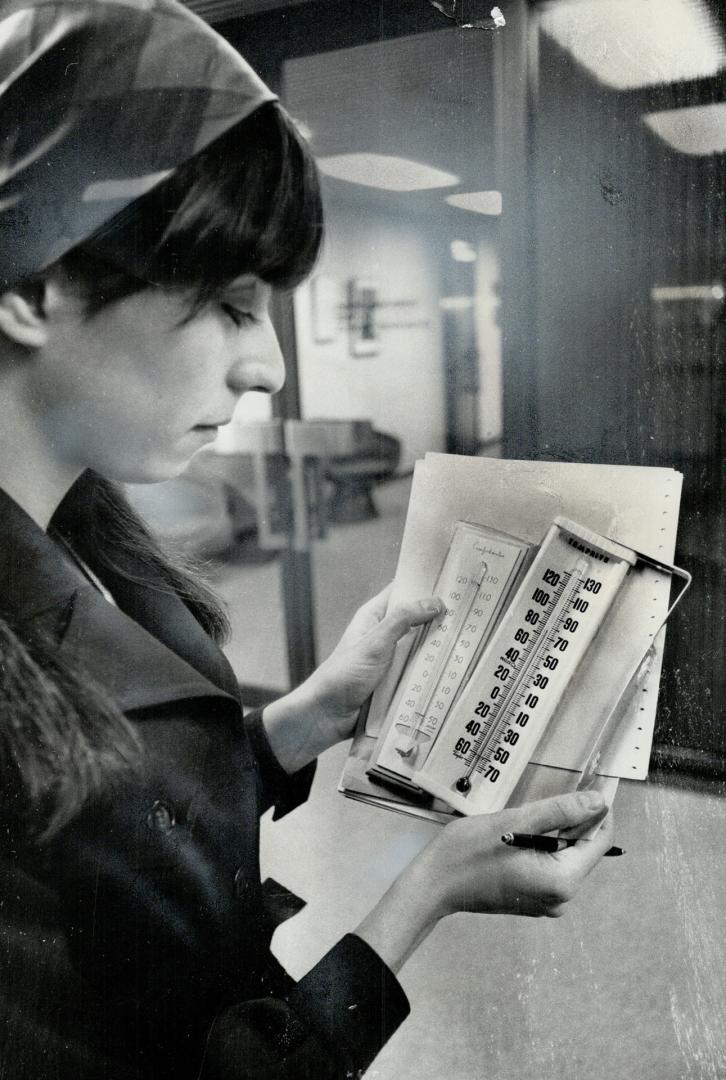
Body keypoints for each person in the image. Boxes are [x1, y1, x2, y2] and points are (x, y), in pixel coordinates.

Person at [0, 2, 614, 1077]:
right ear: (32, 285)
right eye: (234, 307)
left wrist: (309, 714)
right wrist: (425, 893)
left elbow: (118, 820)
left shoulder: (93, 533)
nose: (271, 370)